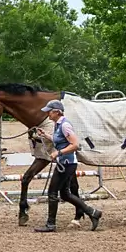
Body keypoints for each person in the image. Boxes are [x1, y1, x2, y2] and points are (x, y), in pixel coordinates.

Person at [35, 99, 102, 233]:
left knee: (52, 192)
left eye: (50, 112)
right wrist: (46, 136)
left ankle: (51, 225)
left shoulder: (65, 125)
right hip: (66, 163)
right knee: (65, 194)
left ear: (57, 112)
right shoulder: (58, 125)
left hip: (66, 163)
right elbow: (60, 140)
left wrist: (58, 152)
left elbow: (75, 145)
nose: (48, 114)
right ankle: (93, 212)